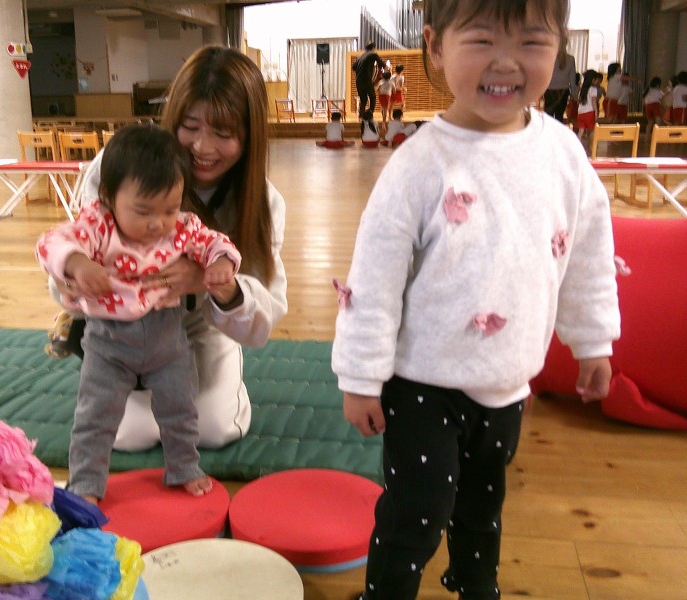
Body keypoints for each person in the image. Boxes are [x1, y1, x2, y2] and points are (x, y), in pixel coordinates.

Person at [331, 0, 620, 598]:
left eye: (531, 43)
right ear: (435, 47)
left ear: (559, 48)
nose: (506, 63)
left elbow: (588, 252)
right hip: (422, 381)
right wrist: (360, 376)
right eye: (483, 40)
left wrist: (593, 340)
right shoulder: (418, 165)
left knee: (482, 506)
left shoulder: (563, 154)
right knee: (418, 509)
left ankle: (474, 581)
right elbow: (374, 279)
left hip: (508, 380)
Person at [51, 46, 288, 453]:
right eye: (190, 127)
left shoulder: (262, 203)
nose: (202, 147)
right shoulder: (121, 164)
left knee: (213, 428)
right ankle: (91, 350)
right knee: (127, 435)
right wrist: (73, 278)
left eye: (223, 134)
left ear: (249, 137)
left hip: (200, 325)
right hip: (121, 323)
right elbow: (70, 243)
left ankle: (219, 376)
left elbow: (264, 315)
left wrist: (214, 283)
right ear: (173, 116)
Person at [37, 124, 242, 502]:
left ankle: (184, 466)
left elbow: (214, 241)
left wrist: (221, 263)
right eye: (143, 211)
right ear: (108, 197)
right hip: (108, 345)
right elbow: (51, 242)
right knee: (95, 417)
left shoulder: (181, 228)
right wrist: (78, 264)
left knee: (181, 409)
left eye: (169, 209)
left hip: (168, 341)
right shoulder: (97, 225)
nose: (157, 223)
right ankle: (86, 482)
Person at [353, 41, 386, 119]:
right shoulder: (373, 54)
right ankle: (370, 114)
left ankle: (361, 115)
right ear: (373, 48)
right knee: (372, 97)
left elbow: (354, 67)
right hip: (366, 79)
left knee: (363, 98)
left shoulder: (360, 56)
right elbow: (381, 64)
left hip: (358, 80)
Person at [543, 51, 576, 122]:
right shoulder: (570, 59)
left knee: (548, 115)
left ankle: (548, 128)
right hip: (563, 90)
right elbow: (572, 77)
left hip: (550, 89)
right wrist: (573, 93)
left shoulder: (548, 57)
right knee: (559, 115)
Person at [577, 69, 599, 147]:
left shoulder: (581, 90)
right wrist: (596, 113)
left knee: (580, 131)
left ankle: (577, 147)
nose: (597, 81)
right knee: (592, 131)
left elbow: (578, 102)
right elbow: (594, 102)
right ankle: (592, 147)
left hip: (580, 113)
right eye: (596, 79)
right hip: (589, 113)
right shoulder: (593, 89)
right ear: (593, 80)